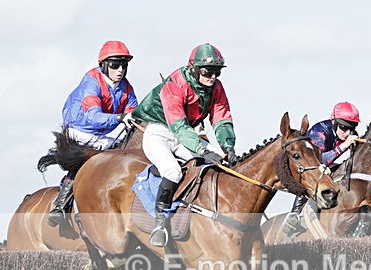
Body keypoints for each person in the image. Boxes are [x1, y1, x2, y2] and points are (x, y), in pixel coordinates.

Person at [127, 43, 238, 247]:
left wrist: (227, 147)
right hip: (159, 133)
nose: (213, 77)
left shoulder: (216, 87)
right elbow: (178, 127)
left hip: (185, 135)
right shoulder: (175, 83)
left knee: (219, 165)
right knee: (173, 171)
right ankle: (160, 223)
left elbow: (221, 118)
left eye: (217, 72)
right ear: (193, 69)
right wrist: (202, 150)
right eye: (207, 72)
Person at [48, 40, 139, 227]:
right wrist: (120, 117)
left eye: (124, 65)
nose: (120, 70)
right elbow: (93, 116)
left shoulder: (126, 87)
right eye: (115, 65)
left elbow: (134, 112)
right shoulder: (91, 81)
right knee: (90, 159)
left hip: (103, 131)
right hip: (79, 129)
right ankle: (61, 203)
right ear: (104, 65)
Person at [283, 102, 361, 235]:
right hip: (307, 168)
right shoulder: (320, 132)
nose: (348, 133)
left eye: (352, 128)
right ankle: (295, 214)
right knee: (317, 173)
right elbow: (318, 162)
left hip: (325, 166)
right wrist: (343, 146)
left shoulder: (349, 133)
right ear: (334, 122)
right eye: (344, 127)